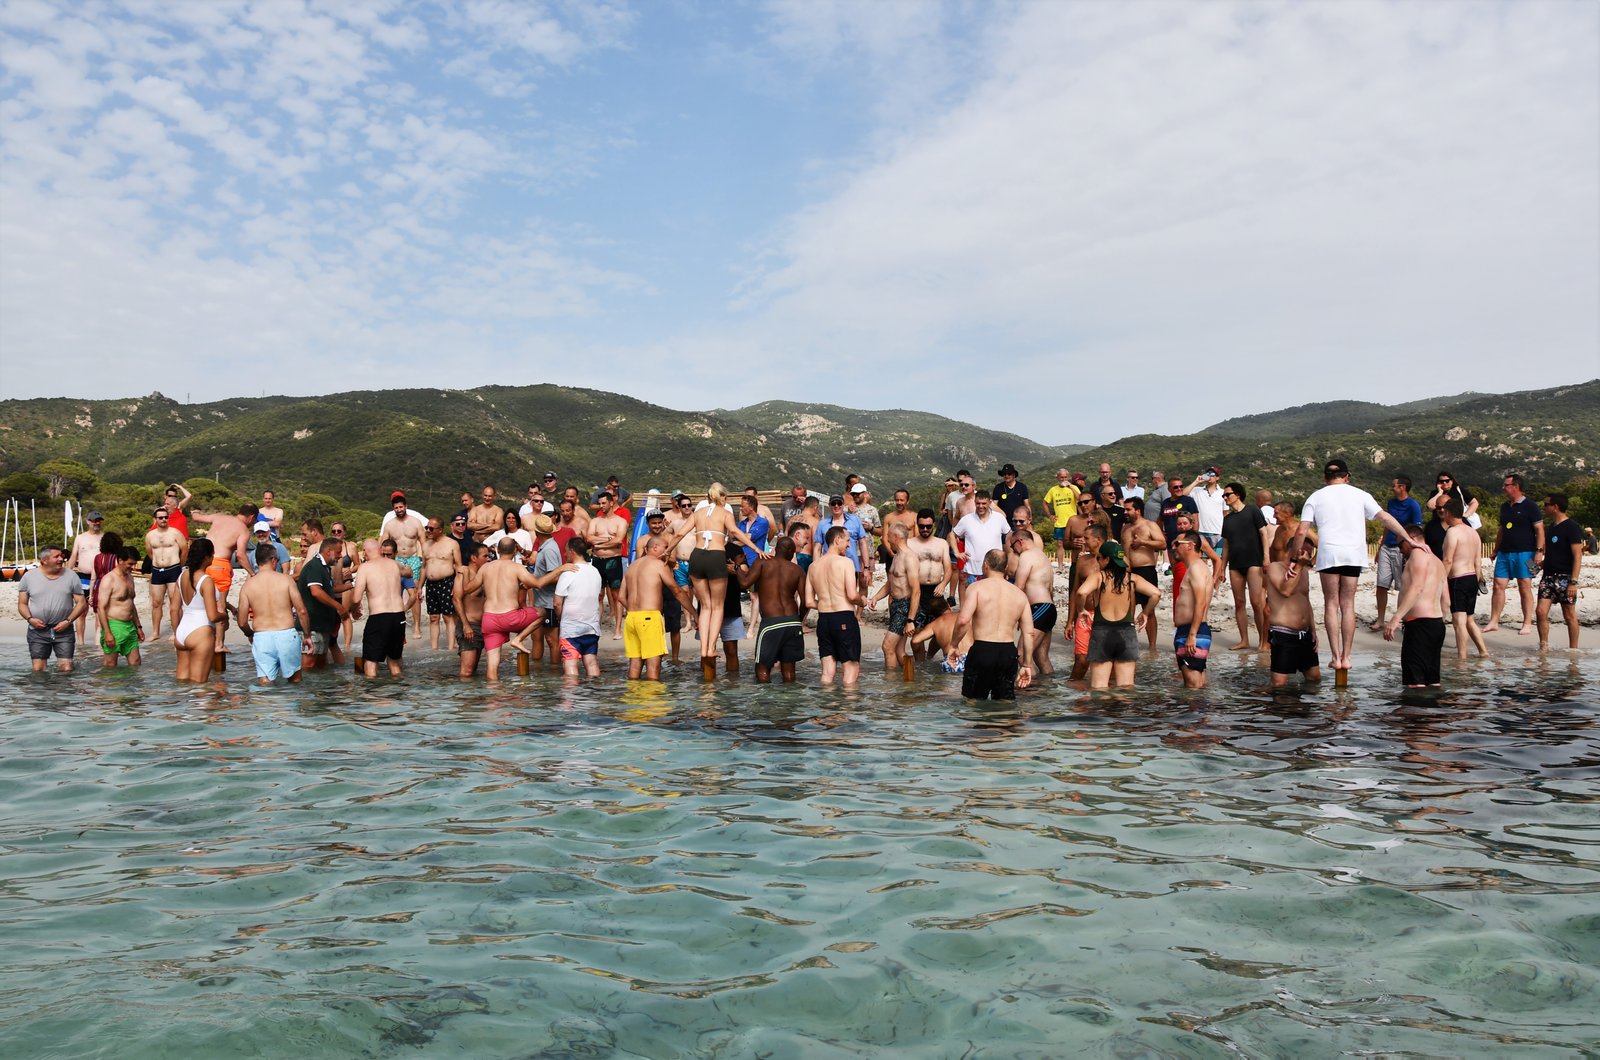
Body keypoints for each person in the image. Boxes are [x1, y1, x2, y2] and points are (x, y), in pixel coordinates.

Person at [1287, 459, 1411, 672]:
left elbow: (1301, 531)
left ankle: (1335, 657)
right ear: (1347, 476)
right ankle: (1347, 656)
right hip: (1353, 555)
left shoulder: (1316, 496)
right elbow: (1385, 518)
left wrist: (1294, 558)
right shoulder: (1361, 494)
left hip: (1330, 555)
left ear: (1325, 478)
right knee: (1348, 604)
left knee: (1331, 604)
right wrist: (1408, 537)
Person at [686, 484, 757, 667]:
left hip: (698, 558)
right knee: (715, 608)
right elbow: (735, 531)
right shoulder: (725, 516)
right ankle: (709, 650)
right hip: (715, 561)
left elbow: (679, 533)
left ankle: (705, 649)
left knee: (706, 607)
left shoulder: (698, 515)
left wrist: (667, 550)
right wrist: (756, 548)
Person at [1074, 541, 1159, 689]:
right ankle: (1122, 711)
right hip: (1126, 633)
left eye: (1099, 558)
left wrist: (1081, 610)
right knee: (1126, 687)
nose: (1098, 561)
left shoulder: (1098, 577)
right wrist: (1145, 613)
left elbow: (1081, 592)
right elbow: (1156, 593)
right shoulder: (1132, 578)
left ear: (1106, 560)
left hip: (1102, 632)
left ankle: (1102, 712)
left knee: (1099, 688)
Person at [954, 549, 1035, 700]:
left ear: (985, 565)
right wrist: (1026, 665)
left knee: (973, 702)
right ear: (1005, 568)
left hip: (982, 650)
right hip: (1008, 653)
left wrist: (953, 645)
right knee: (1004, 704)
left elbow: (963, 620)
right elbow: (1029, 633)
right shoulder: (1019, 594)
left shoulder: (976, 588)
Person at [619, 533, 694, 680]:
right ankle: (654, 701)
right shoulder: (658, 564)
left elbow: (621, 597)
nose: (668, 551)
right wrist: (694, 613)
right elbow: (677, 591)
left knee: (634, 665)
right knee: (654, 666)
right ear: (654, 547)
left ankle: (632, 699)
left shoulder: (632, 566)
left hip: (631, 618)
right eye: (665, 548)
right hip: (649, 618)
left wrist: (635, 612)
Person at [237, 543, 312, 685]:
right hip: (287, 635)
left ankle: (268, 707)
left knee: (265, 683)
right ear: (273, 560)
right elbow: (302, 611)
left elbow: (242, 622)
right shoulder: (286, 580)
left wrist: (250, 634)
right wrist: (307, 635)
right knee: (295, 681)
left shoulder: (248, 586)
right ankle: (290, 707)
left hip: (262, 636)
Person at [1383, 525, 1445, 688]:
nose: (1400, 550)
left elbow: (1417, 587)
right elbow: (1446, 600)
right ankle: (1432, 713)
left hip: (1419, 626)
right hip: (1437, 625)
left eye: (1400, 545)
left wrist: (1396, 618)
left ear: (1411, 539)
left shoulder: (1417, 557)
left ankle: (1415, 713)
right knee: (1432, 682)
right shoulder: (1437, 561)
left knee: (1415, 684)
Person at [740, 536, 808, 683]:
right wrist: (799, 619)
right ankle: (789, 703)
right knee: (789, 670)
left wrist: (738, 567)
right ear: (790, 552)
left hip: (771, 623)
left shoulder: (763, 563)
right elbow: (806, 602)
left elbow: (744, 583)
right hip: (792, 622)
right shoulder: (797, 570)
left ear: (776, 549)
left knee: (762, 668)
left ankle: (766, 703)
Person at [476, 538, 545, 681]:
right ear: (514, 551)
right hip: (510, 617)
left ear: (497, 550)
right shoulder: (516, 568)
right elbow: (537, 583)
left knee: (492, 668)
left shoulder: (485, 568)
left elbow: (469, 588)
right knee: (542, 612)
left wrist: (462, 574)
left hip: (489, 619)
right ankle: (518, 639)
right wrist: (560, 570)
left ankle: (493, 699)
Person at [1486, 473, 1543, 635]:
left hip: (1526, 553)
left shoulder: (1531, 506)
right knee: (1498, 585)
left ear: (1515, 487)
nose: (1503, 488)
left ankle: (1527, 623)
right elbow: (1501, 530)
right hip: (1505, 552)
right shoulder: (1504, 507)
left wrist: (1539, 552)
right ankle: (1494, 620)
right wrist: (1496, 550)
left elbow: (1539, 530)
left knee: (1525, 585)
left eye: (1506, 485)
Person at [806, 525, 863, 686]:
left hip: (824, 620)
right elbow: (852, 595)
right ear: (837, 540)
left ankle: (828, 708)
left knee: (827, 672)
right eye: (847, 541)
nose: (849, 545)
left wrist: (825, 604)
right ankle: (848, 707)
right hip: (843, 617)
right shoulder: (845, 562)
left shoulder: (813, 566)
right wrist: (862, 601)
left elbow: (809, 602)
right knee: (851, 668)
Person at [1219, 481, 1273, 651]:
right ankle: (1244, 640)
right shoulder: (1227, 519)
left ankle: (1264, 641)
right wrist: (1222, 568)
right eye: (1224, 495)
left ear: (1238, 495)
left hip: (1254, 562)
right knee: (1239, 603)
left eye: (1228, 494)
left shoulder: (1252, 510)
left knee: (1257, 603)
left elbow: (1263, 533)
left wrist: (1266, 557)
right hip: (1235, 564)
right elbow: (1226, 545)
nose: (1225, 497)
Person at [18, 545, 88, 673]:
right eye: (56, 556)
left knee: (66, 668)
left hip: (64, 630)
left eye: (61, 556)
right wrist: (30, 619)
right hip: (37, 630)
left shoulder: (71, 576)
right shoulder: (28, 577)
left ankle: (62, 692)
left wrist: (68, 621)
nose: (61, 559)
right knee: (38, 670)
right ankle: (44, 692)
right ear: (44, 560)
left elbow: (81, 603)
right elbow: (22, 604)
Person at [1438, 497, 1490, 661]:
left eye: (1443, 512)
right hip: (1472, 578)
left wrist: (1440, 581)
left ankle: (1462, 658)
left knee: (1458, 620)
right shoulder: (1473, 532)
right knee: (1469, 619)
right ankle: (1483, 651)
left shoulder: (1452, 532)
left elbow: (1448, 560)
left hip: (1458, 579)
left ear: (1447, 513)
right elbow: (1477, 561)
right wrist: (1478, 579)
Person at [1264, 541, 1321, 688]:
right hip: (1284, 634)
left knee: (1314, 679)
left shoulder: (1304, 573)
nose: (1308, 556)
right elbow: (1286, 591)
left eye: (1310, 552)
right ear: (1294, 550)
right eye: (1305, 552)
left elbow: (1306, 601)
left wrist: (1313, 630)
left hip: (1305, 634)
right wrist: (1299, 565)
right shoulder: (1275, 567)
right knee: (1279, 684)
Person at [1372, 475, 1424, 631]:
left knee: (1403, 586)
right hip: (1387, 547)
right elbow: (1387, 524)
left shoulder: (1413, 506)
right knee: (1381, 584)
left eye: (1394, 485)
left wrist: (1413, 551)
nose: (1391, 487)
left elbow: (1416, 530)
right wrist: (1380, 548)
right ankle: (1381, 620)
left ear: (1402, 487)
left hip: (1402, 549)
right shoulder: (1391, 503)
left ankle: (1404, 619)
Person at [352, 538, 410, 678]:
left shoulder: (365, 567)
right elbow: (409, 573)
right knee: (394, 661)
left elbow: (356, 598)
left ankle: (372, 696)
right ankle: (398, 694)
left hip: (379, 617)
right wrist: (405, 571)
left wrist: (354, 610)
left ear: (365, 552)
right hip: (398, 616)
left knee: (370, 661)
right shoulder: (394, 564)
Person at [867, 524, 917, 671]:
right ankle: (911, 681)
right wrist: (876, 597)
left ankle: (891, 685)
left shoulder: (909, 558)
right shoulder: (896, 557)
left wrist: (910, 620)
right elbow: (891, 584)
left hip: (904, 606)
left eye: (888, 536)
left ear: (896, 537)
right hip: (896, 605)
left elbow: (916, 591)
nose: (885, 539)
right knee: (899, 650)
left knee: (887, 646)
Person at [171, 538, 222, 683]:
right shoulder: (206, 580)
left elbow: (174, 610)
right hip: (200, 631)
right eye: (212, 554)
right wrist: (224, 615)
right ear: (206, 557)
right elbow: (212, 615)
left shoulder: (181, 576)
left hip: (182, 632)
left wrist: (177, 633)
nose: (213, 557)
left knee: (183, 685)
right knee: (199, 686)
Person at [1537, 493, 1583, 652]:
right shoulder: (1550, 528)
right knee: (1540, 611)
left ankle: (1574, 650)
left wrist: (1573, 582)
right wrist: (1537, 566)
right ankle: (1543, 646)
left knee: (1569, 614)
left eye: (1546, 504)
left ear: (1555, 507)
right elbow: (1551, 555)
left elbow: (1578, 555)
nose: (1544, 507)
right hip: (1548, 576)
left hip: (1565, 577)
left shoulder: (1572, 527)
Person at [1120, 496, 1166, 650]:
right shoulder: (1125, 528)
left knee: (1149, 609)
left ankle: (1152, 646)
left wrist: (1143, 542)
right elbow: (1122, 549)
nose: (1125, 512)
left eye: (1128, 509)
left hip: (1146, 570)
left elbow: (1162, 544)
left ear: (1137, 510)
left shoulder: (1150, 525)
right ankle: (1129, 644)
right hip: (1127, 571)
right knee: (1128, 610)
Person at [1010, 526, 1057, 677]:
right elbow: (1050, 588)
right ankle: (1047, 691)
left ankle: (1032, 692)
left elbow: (1019, 587)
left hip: (1039, 608)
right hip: (1048, 609)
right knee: (1041, 658)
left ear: (1021, 541)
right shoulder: (1042, 556)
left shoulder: (1026, 556)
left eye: (1013, 546)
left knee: (1022, 654)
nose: (1013, 550)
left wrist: (1013, 616)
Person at [556, 537, 604, 679]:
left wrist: (561, 619)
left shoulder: (568, 573)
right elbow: (599, 598)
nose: (565, 555)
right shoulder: (595, 571)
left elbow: (557, 603)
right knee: (591, 663)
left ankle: (572, 697)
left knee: (570, 664)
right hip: (592, 626)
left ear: (571, 552)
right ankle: (594, 693)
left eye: (565, 551)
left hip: (571, 627)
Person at [1171, 532, 1214, 688]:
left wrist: (1192, 635)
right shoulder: (1194, 568)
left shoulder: (1196, 568)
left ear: (1190, 545)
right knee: (1198, 683)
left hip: (1192, 631)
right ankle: (1199, 711)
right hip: (1189, 630)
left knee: (1193, 684)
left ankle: (1195, 712)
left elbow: (1200, 603)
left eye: (1177, 544)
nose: (1174, 548)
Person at [297, 536, 347, 670]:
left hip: (322, 625)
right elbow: (316, 592)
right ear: (328, 551)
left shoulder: (325, 568)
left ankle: (320, 690)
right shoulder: (315, 566)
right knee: (309, 665)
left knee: (320, 665)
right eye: (338, 552)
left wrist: (353, 584)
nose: (340, 556)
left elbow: (330, 589)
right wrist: (339, 607)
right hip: (312, 625)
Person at [381, 492, 427, 636]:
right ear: (393, 509)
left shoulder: (415, 522)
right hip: (397, 560)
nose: (399, 509)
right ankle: (396, 623)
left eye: (401, 507)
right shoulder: (389, 525)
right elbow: (382, 543)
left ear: (406, 506)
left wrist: (426, 560)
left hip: (413, 559)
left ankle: (417, 626)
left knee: (414, 593)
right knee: (395, 592)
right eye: (396, 507)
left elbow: (423, 543)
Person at [950, 489, 1008, 602]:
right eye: (978, 503)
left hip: (995, 571)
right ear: (975, 503)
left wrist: (1007, 558)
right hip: (972, 570)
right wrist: (957, 552)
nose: (980, 506)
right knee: (972, 601)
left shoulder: (999, 518)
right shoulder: (966, 519)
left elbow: (1008, 535)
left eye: (984, 503)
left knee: (993, 602)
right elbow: (952, 535)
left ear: (990, 503)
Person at [586, 492, 630, 638]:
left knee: (616, 594)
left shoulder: (620, 521)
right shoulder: (595, 521)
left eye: (604, 503)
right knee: (598, 594)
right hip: (597, 560)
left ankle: (617, 628)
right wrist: (606, 539)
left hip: (613, 560)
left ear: (611, 503)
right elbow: (589, 539)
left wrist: (598, 542)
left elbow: (618, 541)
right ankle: (596, 626)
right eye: (600, 503)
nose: (601, 506)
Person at [144, 505, 188, 639]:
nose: (163, 519)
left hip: (173, 568)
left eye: (165, 517)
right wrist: (157, 563)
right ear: (155, 519)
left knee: (174, 602)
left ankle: (176, 632)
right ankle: (155, 632)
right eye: (160, 518)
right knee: (156, 603)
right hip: (158, 570)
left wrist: (179, 565)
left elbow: (184, 550)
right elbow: (150, 552)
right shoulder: (150, 535)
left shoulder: (175, 533)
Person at [96, 546, 145, 668]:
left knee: (136, 663)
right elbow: (100, 608)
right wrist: (107, 632)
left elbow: (131, 604)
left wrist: (138, 626)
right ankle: (111, 687)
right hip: (114, 625)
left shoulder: (130, 577)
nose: (133, 567)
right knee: (111, 664)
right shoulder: (109, 579)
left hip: (130, 626)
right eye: (130, 564)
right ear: (120, 560)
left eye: (134, 564)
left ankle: (131, 687)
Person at [420, 517, 462, 650]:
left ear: (440, 530)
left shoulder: (452, 544)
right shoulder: (426, 545)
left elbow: (459, 566)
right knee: (433, 617)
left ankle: (450, 647)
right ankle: (434, 648)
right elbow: (424, 567)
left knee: (448, 616)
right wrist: (419, 587)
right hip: (431, 584)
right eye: (427, 528)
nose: (428, 531)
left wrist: (457, 585)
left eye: (431, 528)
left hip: (446, 582)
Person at [451, 543, 490, 679]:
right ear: (474, 558)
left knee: (473, 670)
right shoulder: (464, 572)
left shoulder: (482, 575)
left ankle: (474, 699)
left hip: (481, 627)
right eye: (485, 556)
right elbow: (456, 599)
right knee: (466, 672)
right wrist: (466, 625)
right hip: (469, 626)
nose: (488, 559)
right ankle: (464, 697)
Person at [66, 510, 104, 640]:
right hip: (83, 577)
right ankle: (80, 644)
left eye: (98, 520)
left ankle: (97, 642)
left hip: (100, 578)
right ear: (88, 521)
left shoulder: (104, 538)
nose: (96, 523)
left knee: (99, 611)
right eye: (94, 520)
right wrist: (67, 574)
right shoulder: (80, 538)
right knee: (82, 611)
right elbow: (73, 556)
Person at [1424, 470, 1478, 558]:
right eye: (1441, 481)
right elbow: (1430, 506)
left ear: (1452, 481)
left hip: (1457, 523)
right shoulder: (1435, 493)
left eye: (1447, 480)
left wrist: (1465, 515)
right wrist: (1440, 492)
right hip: (1438, 524)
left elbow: (1474, 502)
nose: (1444, 483)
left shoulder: (1458, 490)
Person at [1042, 469, 1080, 573]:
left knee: (1075, 543)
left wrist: (1071, 487)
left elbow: (1080, 499)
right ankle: (1060, 566)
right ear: (1057, 478)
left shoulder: (1074, 488)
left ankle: (1075, 565)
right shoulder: (1053, 490)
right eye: (1061, 477)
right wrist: (1050, 515)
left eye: (1065, 477)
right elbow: (1045, 502)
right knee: (1060, 544)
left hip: (1073, 521)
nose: (1063, 479)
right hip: (1060, 522)